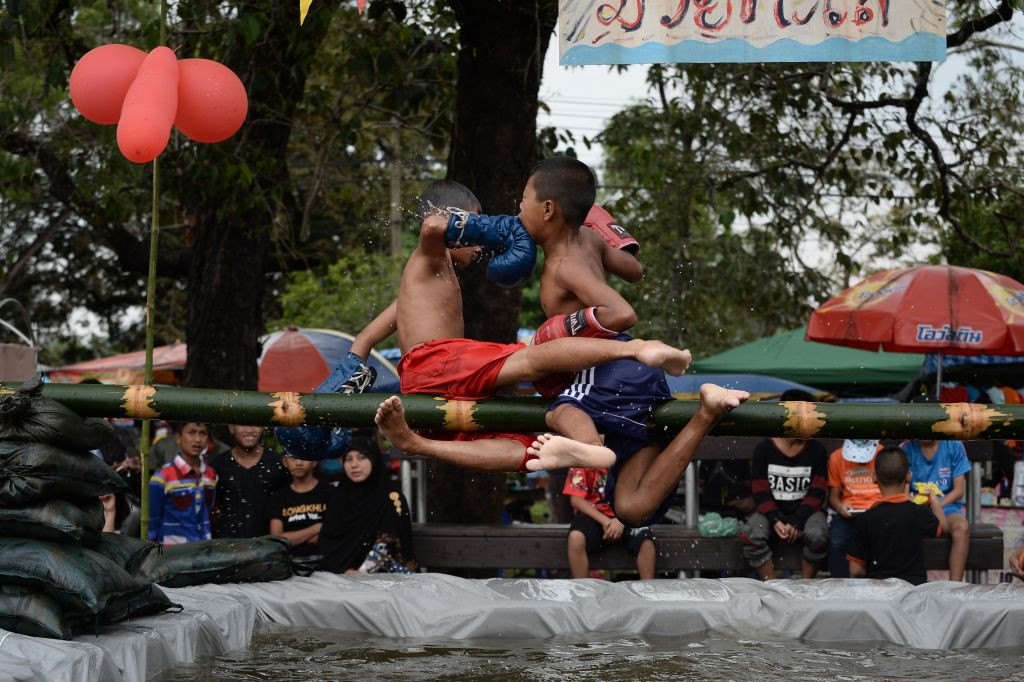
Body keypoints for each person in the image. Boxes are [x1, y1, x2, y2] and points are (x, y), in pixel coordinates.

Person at [360, 177, 693, 474]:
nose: (479, 249)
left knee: (530, 453)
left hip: (434, 379)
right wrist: (494, 228)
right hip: (435, 362)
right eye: (475, 226)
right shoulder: (431, 255)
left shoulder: (426, 278)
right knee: (534, 354)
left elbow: (380, 325)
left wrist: (356, 354)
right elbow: (433, 226)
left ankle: (418, 445)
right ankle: (637, 349)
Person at [740, 390, 829, 579]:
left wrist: (797, 521)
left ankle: (806, 584)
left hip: (807, 512)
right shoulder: (764, 450)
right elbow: (760, 492)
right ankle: (772, 585)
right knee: (751, 534)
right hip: (771, 512)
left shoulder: (816, 450)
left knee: (819, 535)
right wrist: (775, 520)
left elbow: (817, 493)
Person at [846, 446, 947, 585]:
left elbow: (856, 570)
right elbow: (943, 526)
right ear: (908, 477)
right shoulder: (918, 512)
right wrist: (934, 498)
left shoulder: (865, 519)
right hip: (912, 591)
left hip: (880, 594)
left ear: (874, 477)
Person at [318, 435, 417, 574]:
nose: (354, 465)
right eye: (349, 459)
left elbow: (389, 545)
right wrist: (342, 571)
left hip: (383, 578)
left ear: (374, 459)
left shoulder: (391, 498)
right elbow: (328, 542)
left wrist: (358, 574)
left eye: (361, 457)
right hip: (339, 575)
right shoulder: (339, 496)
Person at [563, 467, 656, 580]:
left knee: (646, 543)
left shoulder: (630, 458)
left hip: (628, 514)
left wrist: (622, 521)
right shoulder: (582, 459)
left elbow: (643, 497)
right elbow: (576, 500)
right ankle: (583, 589)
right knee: (576, 538)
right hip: (595, 516)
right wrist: (606, 522)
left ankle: (647, 591)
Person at [902, 438, 971, 582]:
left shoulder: (954, 445)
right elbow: (904, 493)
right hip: (917, 508)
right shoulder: (906, 449)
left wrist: (937, 505)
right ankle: (908, 585)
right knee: (900, 526)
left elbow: (958, 491)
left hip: (947, 506)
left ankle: (954, 587)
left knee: (961, 527)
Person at [210, 424, 289, 538]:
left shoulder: (278, 464)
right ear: (232, 428)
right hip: (228, 546)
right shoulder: (218, 465)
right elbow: (211, 510)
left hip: (269, 546)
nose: (249, 430)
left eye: (255, 424)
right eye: (243, 425)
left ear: (262, 427)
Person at [148, 421, 218, 545]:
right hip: (172, 554)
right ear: (178, 438)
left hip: (204, 551)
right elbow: (153, 524)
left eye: (203, 433)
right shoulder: (162, 477)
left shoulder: (211, 475)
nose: (197, 439)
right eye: (191, 433)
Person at [826, 439, 883, 578]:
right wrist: (840, 507)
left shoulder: (882, 454)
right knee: (836, 541)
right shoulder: (836, 457)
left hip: (878, 510)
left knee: (882, 540)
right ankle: (841, 586)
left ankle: (878, 582)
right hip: (848, 513)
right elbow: (833, 496)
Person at [268, 453, 333, 561]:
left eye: (304, 457)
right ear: (285, 462)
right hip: (289, 565)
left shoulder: (330, 493)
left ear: (314, 462)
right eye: (293, 458)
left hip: (325, 564)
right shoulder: (278, 497)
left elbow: (333, 536)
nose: (298, 463)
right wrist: (317, 527)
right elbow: (277, 541)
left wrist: (291, 538)